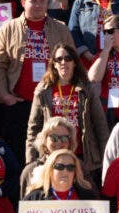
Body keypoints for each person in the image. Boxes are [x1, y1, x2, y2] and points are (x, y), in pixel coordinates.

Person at [0, 0, 75, 165]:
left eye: (42, 1)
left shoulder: (60, 28)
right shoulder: (9, 28)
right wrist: (5, 94)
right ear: (23, 2)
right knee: (22, 153)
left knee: (53, 151)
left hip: (52, 103)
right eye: (33, 1)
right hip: (19, 102)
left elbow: (71, 61)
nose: (38, 5)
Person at [25, 42, 108, 179]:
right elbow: (33, 129)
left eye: (68, 58)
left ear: (75, 62)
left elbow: (101, 126)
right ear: (54, 64)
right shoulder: (43, 90)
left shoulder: (87, 89)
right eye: (59, 59)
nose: (64, 62)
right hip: (51, 157)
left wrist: (106, 159)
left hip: (83, 157)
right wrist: (31, 162)